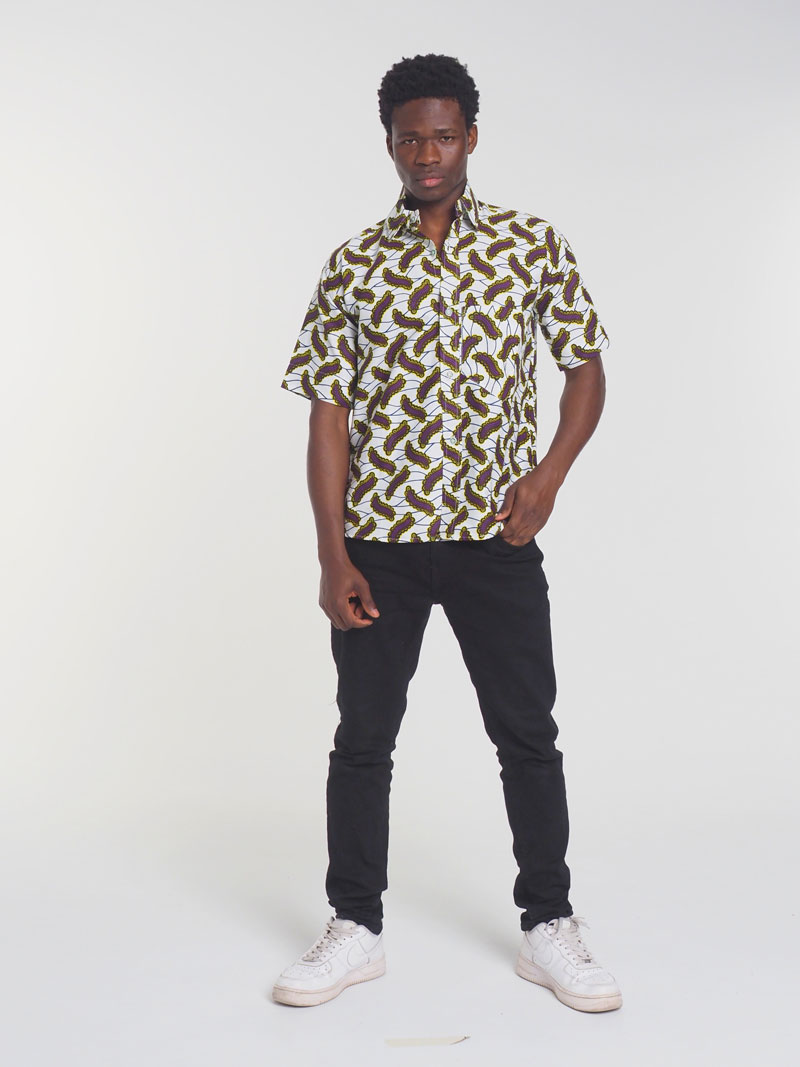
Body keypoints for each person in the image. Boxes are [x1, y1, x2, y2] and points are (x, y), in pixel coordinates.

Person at [271, 53, 622, 1013]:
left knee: (528, 734)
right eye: (408, 138)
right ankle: (355, 927)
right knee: (363, 739)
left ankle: (548, 924)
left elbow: (585, 368)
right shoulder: (354, 263)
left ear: (470, 137)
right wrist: (332, 553)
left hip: (493, 542)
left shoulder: (529, 245)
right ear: (388, 143)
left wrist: (547, 477)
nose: (426, 154)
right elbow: (328, 414)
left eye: (442, 136)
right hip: (379, 545)